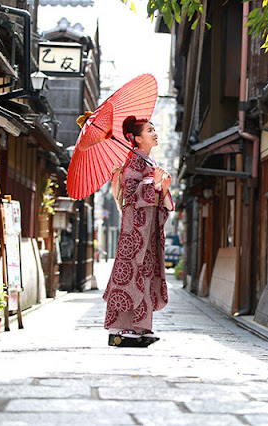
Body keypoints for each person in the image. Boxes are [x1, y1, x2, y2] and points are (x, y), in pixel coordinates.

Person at [103, 115, 173, 347]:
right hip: (135, 230)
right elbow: (131, 192)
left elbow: (156, 197)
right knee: (132, 273)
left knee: (145, 273)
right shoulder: (134, 160)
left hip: (147, 230)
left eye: (155, 129)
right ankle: (124, 328)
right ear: (137, 138)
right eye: (150, 130)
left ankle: (140, 326)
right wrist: (154, 184)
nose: (155, 133)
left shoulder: (147, 161)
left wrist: (163, 187)